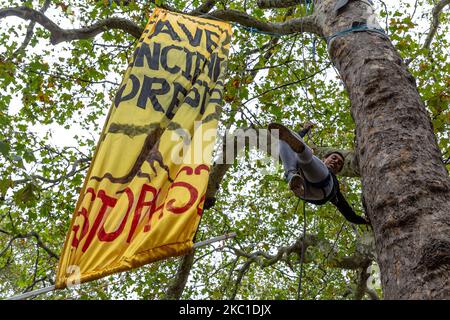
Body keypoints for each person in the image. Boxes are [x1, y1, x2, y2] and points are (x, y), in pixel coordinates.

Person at [268, 122, 369, 225]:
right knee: (284, 140)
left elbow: (347, 211)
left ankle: (301, 155)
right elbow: (290, 138)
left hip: (323, 189)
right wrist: (305, 130)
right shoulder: (316, 163)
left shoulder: (335, 187)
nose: (335, 162)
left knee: (306, 159)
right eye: (334, 158)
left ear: (338, 171)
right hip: (301, 187)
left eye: (339, 163)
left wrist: (364, 221)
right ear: (324, 158)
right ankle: (292, 175)